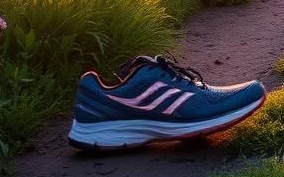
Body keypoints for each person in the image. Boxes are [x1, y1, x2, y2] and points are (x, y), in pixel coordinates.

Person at [67, 54, 265, 150]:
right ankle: (110, 112)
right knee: (143, 79)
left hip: (104, 112)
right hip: (109, 112)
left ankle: (97, 113)